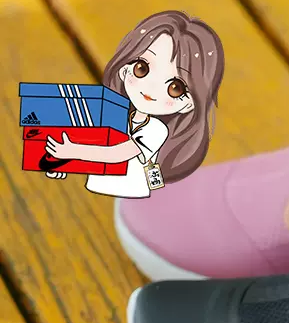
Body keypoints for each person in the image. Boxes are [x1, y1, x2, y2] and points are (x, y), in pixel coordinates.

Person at [45, 10, 224, 198]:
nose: (151, 87)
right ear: (124, 70)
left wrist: (72, 151)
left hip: (129, 197)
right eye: (142, 68)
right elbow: (94, 147)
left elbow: (118, 154)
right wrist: (61, 163)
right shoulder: (113, 115)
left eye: (175, 87)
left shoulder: (155, 130)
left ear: (189, 104)